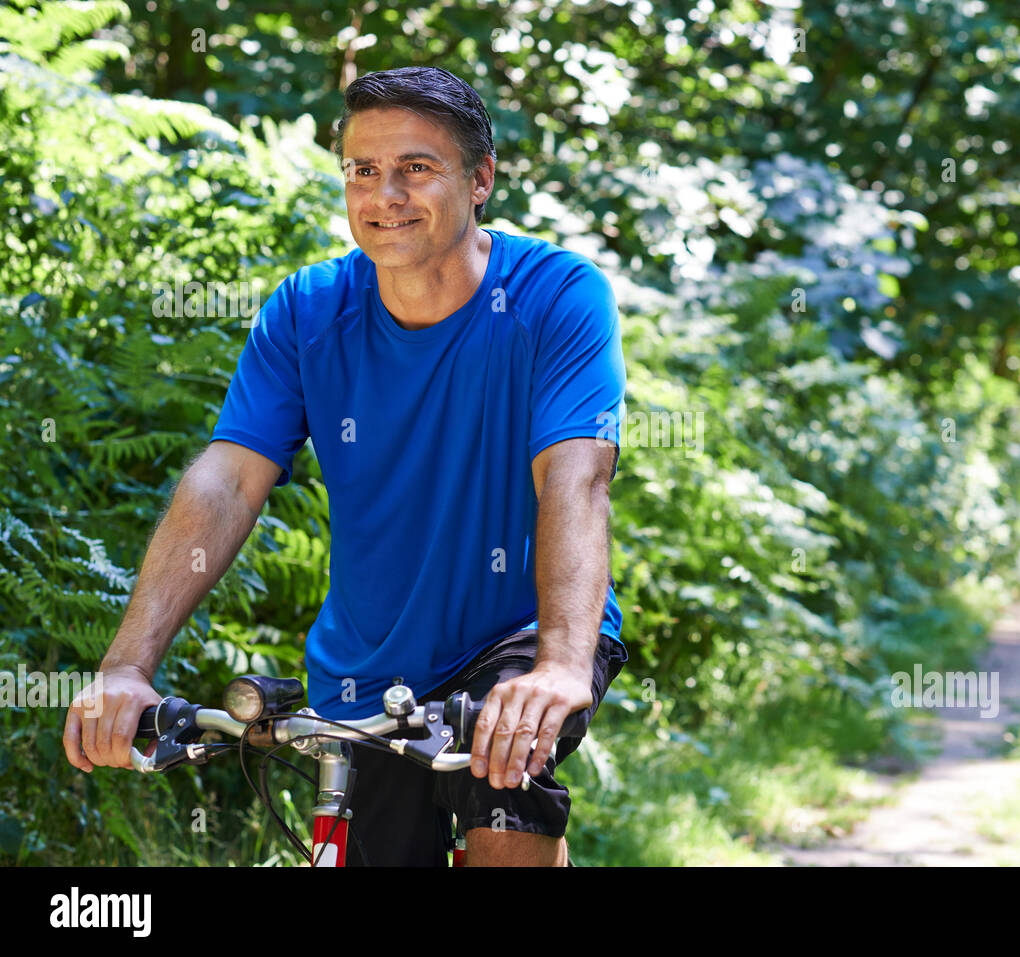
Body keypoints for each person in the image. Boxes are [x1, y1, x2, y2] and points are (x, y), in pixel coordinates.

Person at [62, 66, 629, 867]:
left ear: (481, 181)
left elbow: (576, 477)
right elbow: (227, 479)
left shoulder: (556, 297)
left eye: (416, 168)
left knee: (506, 818)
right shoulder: (307, 309)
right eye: (364, 170)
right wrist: (125, 667)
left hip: (522, 636)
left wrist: (561, 665)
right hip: (367, 668)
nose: (384, 193)